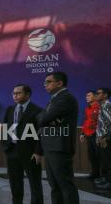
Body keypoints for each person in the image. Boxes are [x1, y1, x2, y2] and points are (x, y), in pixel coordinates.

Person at [38, 72, 79, 204]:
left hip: (59, 147)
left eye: (48, 82)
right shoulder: (54, 99)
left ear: (60, 83)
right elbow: (43, 119)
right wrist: (45, 118)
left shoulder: (65, 98)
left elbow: (43, 119)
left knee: (65, 185)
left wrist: (45, 118)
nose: (45, 85)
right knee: (54, 185)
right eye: (45, 82)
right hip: (50, 146)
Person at [3, 84, 44, 204]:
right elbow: (6, 128)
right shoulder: (10, 109)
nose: (15, 96)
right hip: (12, 150)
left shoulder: (37, 110)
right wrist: (5, 145)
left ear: (27, 95)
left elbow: (40, 133)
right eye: (13, 93)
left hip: (30, 152)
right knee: (15, 182)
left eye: (18, 93)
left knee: (34, 182)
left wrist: (38, 151)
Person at [79, 90, 101, 179]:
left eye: (89, 95)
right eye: (86, 95)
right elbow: (86, 122)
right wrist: (82, 133)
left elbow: (101, 123)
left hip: (97, 135)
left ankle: (102, 176)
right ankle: (94, 174)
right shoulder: (87, 108)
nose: (86, 97)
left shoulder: (100, 107)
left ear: (95, 97)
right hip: (88, 135)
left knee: (99, 156)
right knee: (92, 156)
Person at [95, 87, 111, 189]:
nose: (96, 95)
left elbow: (110, 123)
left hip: (107, 139)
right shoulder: (101, 106)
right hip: (101, 138)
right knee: (104, 161)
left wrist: (106, 137)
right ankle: (105, 178)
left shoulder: (108, 106)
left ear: (105, 95)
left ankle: (109, 182)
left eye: (99, 93)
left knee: (109, 161)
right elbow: (101, 124)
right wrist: (98, 136)